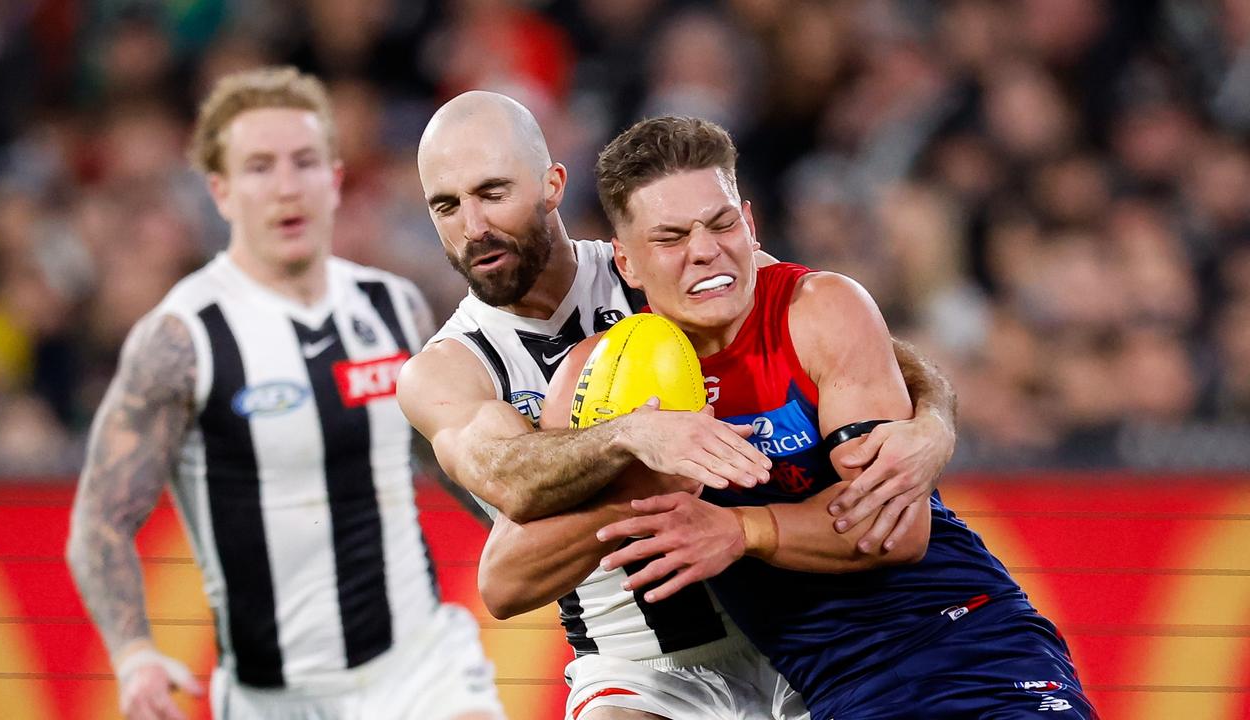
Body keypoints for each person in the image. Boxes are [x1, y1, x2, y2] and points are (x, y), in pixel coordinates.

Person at [400, 90, 958, 719]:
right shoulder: (446, 370)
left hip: (800, 633)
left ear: (552, 184)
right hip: (642, 669)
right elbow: (506, 480)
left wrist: (936, 418)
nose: (472, 227)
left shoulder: (661, 253)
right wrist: (633, 440)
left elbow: (847, 337)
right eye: (445, 206)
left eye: (493, 193)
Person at [579, 115, 1097, 719]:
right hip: (836, 691)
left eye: (721, 224)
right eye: (670, 238)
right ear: (627, 263)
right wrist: (614, 445)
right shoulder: (612, 376)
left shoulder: (818, 309)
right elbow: (504, 584)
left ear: (749, 223)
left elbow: (897, 532)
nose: (704, 250)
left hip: (964, 642)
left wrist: (742, 532)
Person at [65, 67, 504, 720]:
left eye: (304, 162)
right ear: (219, 191)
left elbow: (449, 457)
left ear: (333, 177)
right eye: (260, 167)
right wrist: (132, 657)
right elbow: (99, 522)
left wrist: (532, 529)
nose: (286, 187)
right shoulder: (183, 340)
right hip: (272, 699)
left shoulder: (394, 309)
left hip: (423, 669)